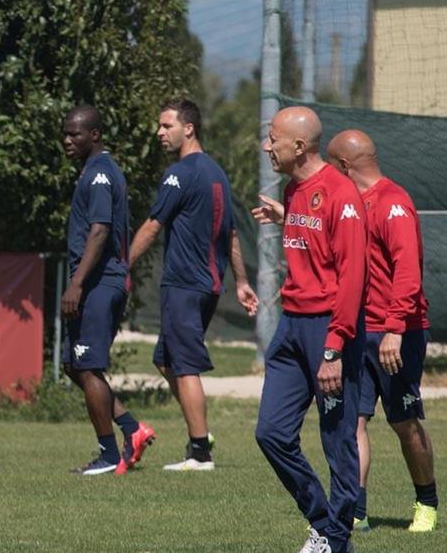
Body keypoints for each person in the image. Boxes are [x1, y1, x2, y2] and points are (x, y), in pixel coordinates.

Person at [253, 106, 366, 553]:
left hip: (329, 329)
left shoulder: (342, 193)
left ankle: (336, 538)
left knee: (337, 440)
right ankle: (323, 522)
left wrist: (334, 349)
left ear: (299, 146)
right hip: (291, 325)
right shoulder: (294, 189)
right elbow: (314, 236)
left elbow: (352, 278)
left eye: (273, 138)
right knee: (271, 433)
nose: (267, 146)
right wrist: (287, 216)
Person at [127, 99, 257, 471]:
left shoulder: (179, 173)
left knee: (184, 366)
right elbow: (231, 233)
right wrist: (241, 282)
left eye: (166, 126)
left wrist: (122, 267)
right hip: (207, 285)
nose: (159, 133)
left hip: (184, 284)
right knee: (165, 360)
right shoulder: (216, 172)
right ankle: (200, 432)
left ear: (189, 128)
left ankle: (200, 452)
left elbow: (152, 226)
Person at [326, 129, 438, 534]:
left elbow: (407, 271)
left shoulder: (393, 203)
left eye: (330, 166)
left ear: (344, 166)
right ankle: (356, 510)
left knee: (403, 423)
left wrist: (394, 328)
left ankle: (427, 502)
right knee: (354, 422)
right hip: (360, 331)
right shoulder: (353, 203)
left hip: (398, 332)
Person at [60, 105, 155, 475]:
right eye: (65, 133)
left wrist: (76, 284)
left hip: (99, 283)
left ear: (95, 135)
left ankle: (109, 455)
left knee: (88, 365)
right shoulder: (92, 169)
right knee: (73, 364)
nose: (68, 140)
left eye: (75, 134)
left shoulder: (100, 173)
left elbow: (100, 231)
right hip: (94, 282)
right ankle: (132, 429)